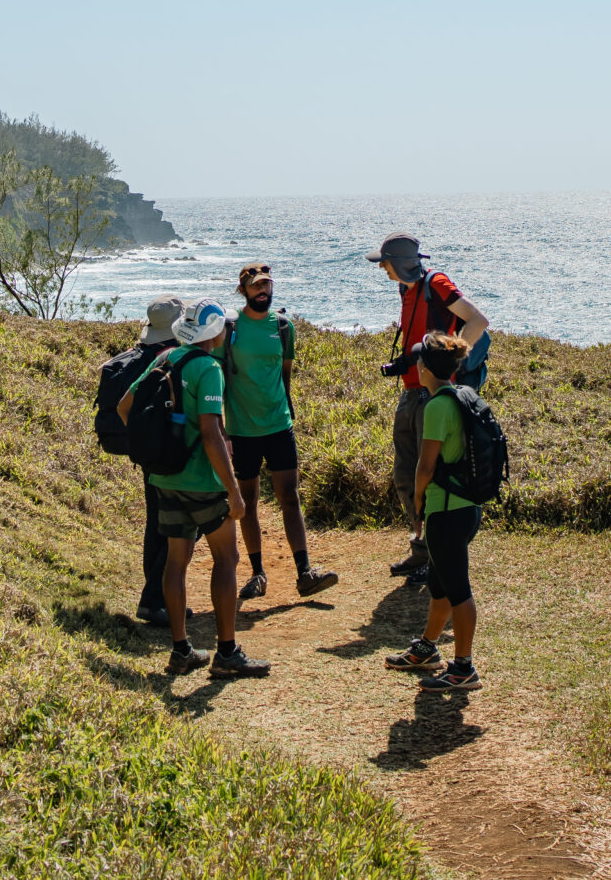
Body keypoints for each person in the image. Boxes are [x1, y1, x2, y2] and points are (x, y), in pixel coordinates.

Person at [133, 300, 272, 680]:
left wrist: (162, 448)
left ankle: (181, 650)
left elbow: (128, 406)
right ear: (214, 333)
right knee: (227, 559)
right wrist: (234, 490)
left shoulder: (164, 359)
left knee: (176, 562)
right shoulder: (209, 368)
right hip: (203, 483)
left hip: (165, 480)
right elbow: (212, 432)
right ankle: (226, 652)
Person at [368, 231, 489, 584]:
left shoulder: (435, 283)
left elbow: (478, 321)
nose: (383, 269)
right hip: (411, 393)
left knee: (430, 475)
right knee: (406, 474)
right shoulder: (407, 290)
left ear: (400, 263)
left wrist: (445, 362)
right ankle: (423, 549)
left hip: (431, 395)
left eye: (385, 263)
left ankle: (435, 555)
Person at [223, 262, 340, 601]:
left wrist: (287, 409)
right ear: (243, 290)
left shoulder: (285, 327)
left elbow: (284, 374)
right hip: (242, 430)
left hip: (278, 426)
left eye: (267, 285)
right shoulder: (229, 328)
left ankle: (305, 573)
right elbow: (220, 377)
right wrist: (223, 430)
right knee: (248, 503)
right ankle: (257, 574)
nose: (263, 291)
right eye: (256, 286)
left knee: (290, 496)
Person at [384, 332, 484, 690]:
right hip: (468, 508)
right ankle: (427, 649)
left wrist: (417, 508)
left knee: (458, 591)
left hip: (445, 512)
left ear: (424, 367)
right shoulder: (464, 395)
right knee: (439, 584)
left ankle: (464, 668)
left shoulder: (437, 407)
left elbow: (425, 467)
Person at [119, 297, 185, 628]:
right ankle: (153, 598)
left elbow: (123, 407)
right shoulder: (170, 358)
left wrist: (144, 442)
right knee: (183, 525)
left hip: (150, 455)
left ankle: (156, 598)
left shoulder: (146, 355)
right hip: (170, 457)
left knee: (155, 524)